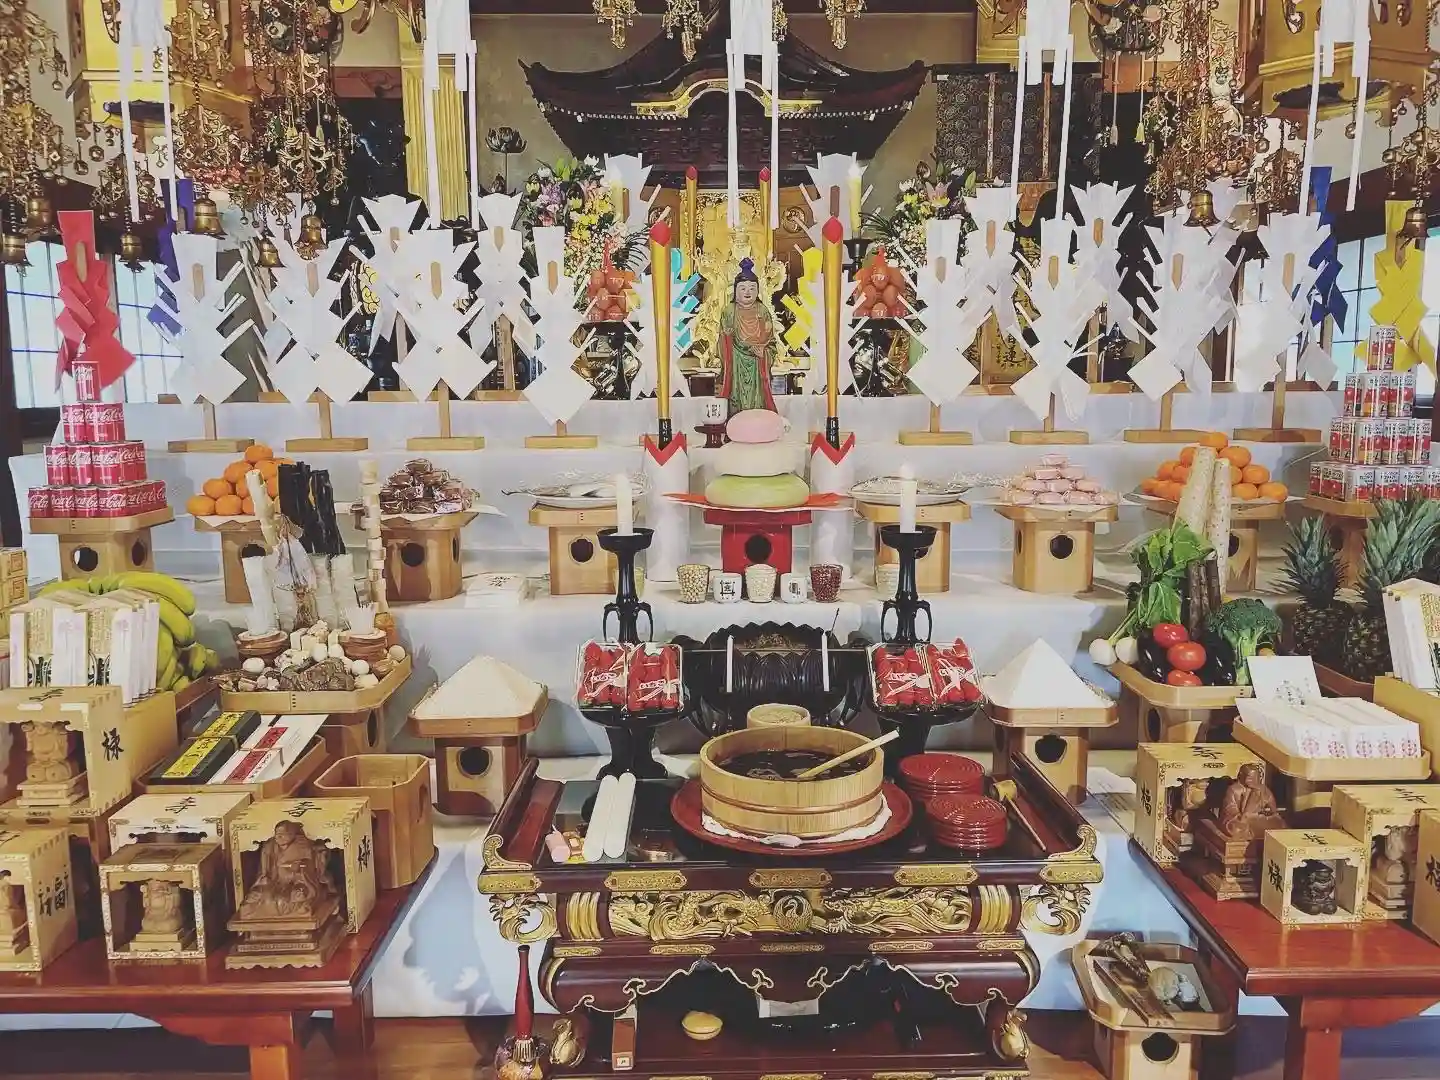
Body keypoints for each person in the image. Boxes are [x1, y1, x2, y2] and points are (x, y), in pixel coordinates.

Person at [718, 258, 777, 416]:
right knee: (736, 401)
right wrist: (727, 338)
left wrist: (764, 353)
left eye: (752, 288)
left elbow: (771, 343)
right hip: (736, 362)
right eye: (743, 288)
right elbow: (722, 343)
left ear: (757, 291)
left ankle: (758, 424)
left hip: (757, 364)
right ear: (735, 290)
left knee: (757, 403)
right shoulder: (729, 311)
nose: (747, 292)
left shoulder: (763, 311)